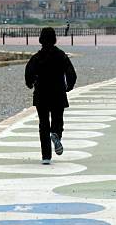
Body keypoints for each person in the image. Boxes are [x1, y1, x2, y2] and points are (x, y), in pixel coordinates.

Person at [25, 27, 77, 165]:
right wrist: (69, 86)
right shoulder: (61, 55)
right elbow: (71, 73)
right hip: (58, 92)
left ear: (41, 39)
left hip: (41, 94)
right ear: (54, 39)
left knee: (43, 124)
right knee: (57, 119)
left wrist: (30, 84)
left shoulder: (36, 57)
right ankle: (56, 134)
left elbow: (28, 74)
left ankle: (46, 156)